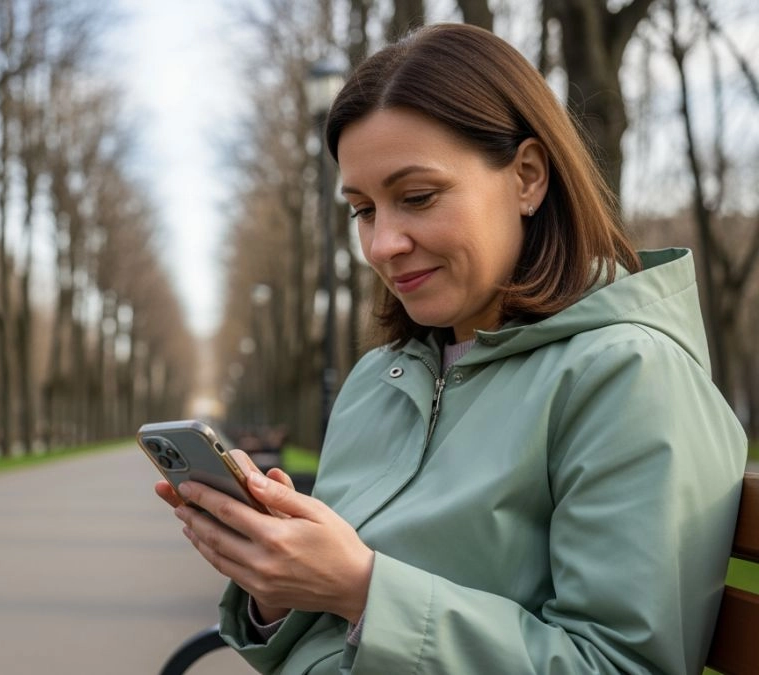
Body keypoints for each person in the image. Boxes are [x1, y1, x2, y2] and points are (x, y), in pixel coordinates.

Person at [154, 23, 747, 674]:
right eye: (363, 210)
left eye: (417, 197)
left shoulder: (628, 379)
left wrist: (363, 589)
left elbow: (622, 663)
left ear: (526, 177)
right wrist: (275, 584)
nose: (382, 244)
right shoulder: (378, 380)